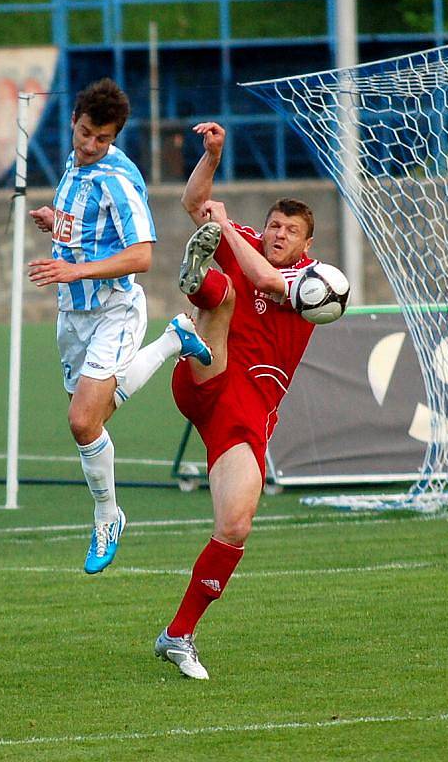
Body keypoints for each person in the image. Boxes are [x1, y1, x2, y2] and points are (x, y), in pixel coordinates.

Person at [154, 121, 320, 680]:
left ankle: (178, 636)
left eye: (288, 230)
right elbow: (194, 200)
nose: (276, 234)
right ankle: (195, 289)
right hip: (210, 375)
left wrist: (225, 227)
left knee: (235, 526)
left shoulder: (318, 281)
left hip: (247, 414)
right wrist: (213, 154)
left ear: (305, 243)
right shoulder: (243, 237)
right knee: (222, 293)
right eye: (272, 225)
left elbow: (272, 284)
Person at [28, 78, 212, 575]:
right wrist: (56, 220)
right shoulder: (73, 164)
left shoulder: (119, 178)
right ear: (74, 122)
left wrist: (74, 269)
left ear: (115, 138)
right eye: (85, 133)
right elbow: (87, 228)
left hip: (115, 309)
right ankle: (175, 338)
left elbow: (142, 256)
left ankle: (108, 516)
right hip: (73, 314)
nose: (90, 146)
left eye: (102, 139)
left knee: (83, 421)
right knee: (93, 418)